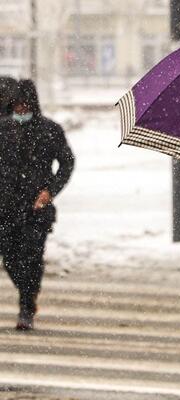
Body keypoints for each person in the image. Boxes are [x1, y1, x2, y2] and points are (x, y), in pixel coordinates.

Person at [0, 79, 75, 330]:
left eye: (25, 105)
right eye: (16, 106)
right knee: (11, 259)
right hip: (5, 208)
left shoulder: (50, 130)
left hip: (36, 209)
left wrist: (50, 191)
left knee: (32, 258)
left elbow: (67, 162)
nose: (21, 110)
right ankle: (27, 293)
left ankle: (26, 306)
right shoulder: (2, 130)